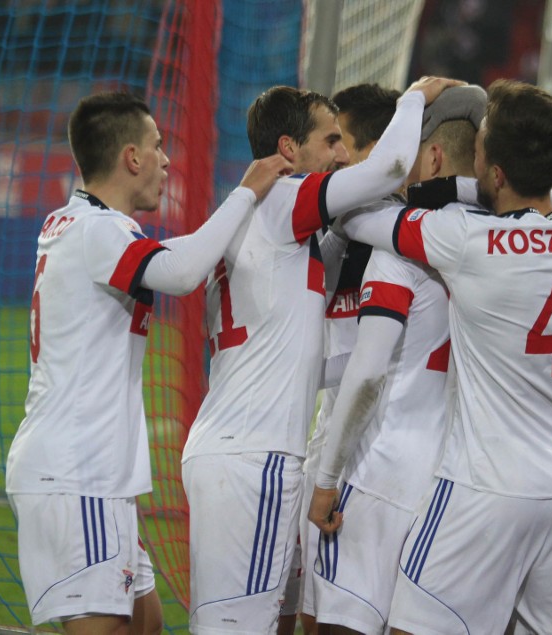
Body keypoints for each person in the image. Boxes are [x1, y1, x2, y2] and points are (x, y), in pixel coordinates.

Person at [333, 79, 552, 634]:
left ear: (494, 173)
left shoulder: (465, 241)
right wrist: (546, 196)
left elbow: (354, 215)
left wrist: (453, 186)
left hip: (484, 487)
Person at [5, 91, 293, 635]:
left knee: (146, 625)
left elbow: (172, 260)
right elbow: (182, 272)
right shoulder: (98, 231)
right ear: (131, 157)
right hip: (77, 472)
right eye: (158, 147)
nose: (166, 160)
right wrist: (247, 195)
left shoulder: (72, 223)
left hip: (96, 474)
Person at [181, 76, 458, 634]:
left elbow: (305, 355)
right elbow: (384, 170)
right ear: (288, 149)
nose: (340, 154)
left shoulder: (262, 225)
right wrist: (413, 99)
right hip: (256, 458)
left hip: (234, 447)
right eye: (330, 140)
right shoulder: (284, 198)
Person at [307, 85, 486, 635]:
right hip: (453, 484)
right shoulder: (500, 244)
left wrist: (327, 477)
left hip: (380, 472)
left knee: (333, 624)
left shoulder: (399, 248)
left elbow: (367, 372)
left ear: (429, 156)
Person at [277, 82, 403, 635]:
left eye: (343, 143)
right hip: (330, 454)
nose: (338, 159)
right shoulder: (329, 238)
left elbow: (370, 368)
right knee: (306, 616)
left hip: (373, 470)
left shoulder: (410, 243)